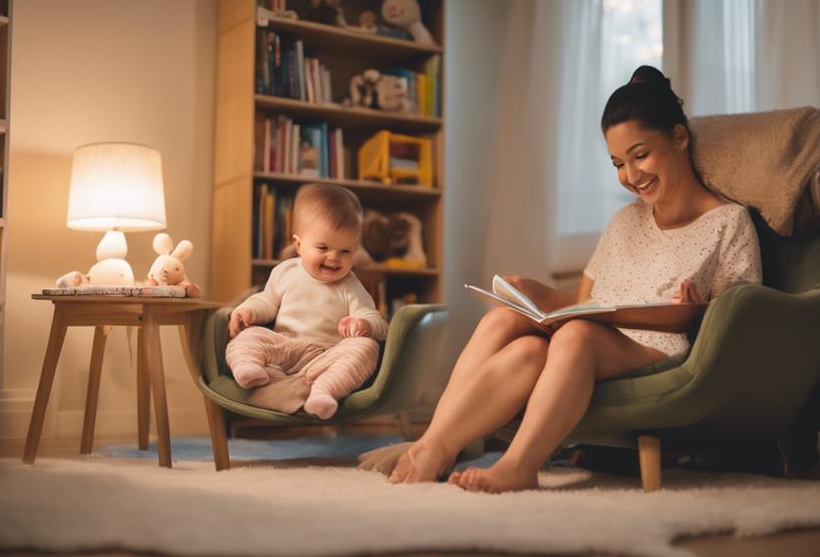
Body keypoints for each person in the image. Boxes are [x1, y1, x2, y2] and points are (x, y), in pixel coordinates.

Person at [386, 65, 762, 493]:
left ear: (679, 138)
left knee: (576, 335)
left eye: (641, 155)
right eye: (618, 163)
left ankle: (520, 465)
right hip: (599, 335)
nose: (631, 176)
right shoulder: (625, 221)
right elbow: (585, 300)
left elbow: (742, 319)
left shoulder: (729, 222)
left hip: (661, 345)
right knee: (509, 328)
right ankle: (434, 445)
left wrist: (699, 309)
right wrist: (534, 294)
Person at [226, 184, 388, 420]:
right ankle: (248, 367)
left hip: (327, 356)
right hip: (284, 347)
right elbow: (267, 300)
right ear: (299, 245)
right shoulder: (285, 271)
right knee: (247, 336)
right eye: (323, 247)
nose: (333, 258)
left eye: (345, 251)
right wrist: (248, 311)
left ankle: (324, 392)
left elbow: (376, 320)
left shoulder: (350, 285)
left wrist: (365, 325)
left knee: (368, 348)